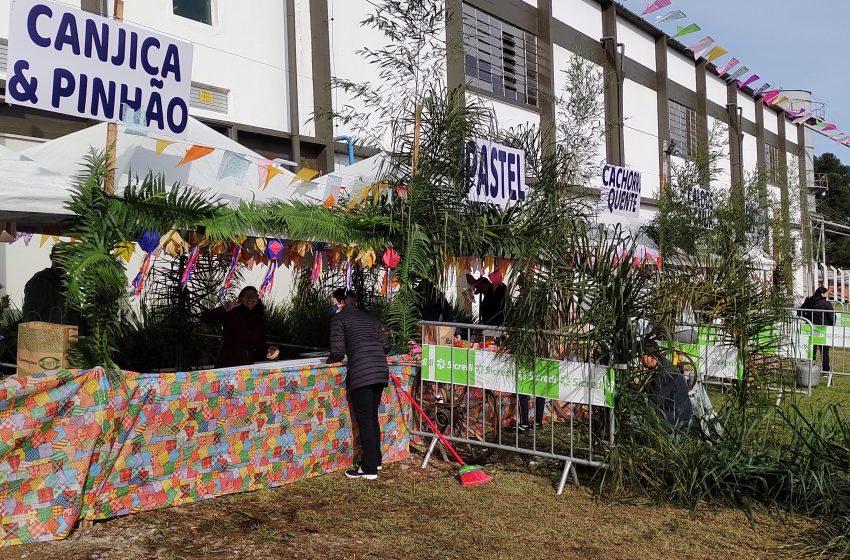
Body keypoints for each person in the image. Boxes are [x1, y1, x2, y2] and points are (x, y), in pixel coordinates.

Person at [326, 288, 391, 481]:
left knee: (365, 420)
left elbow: (337, 352)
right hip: (380, 370)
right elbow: (386, 346)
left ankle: (369, 468)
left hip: (362, 372)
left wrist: (329, 362)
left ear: (340, 302)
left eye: (333, 301)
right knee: (371, 417)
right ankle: (375, 459)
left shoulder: (339, 319)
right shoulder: (369, 318)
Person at [201, 286, 278, 368]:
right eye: (246, 295)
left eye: (253, 295)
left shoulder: (260, 319)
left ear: (257, 298)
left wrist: (269, 351)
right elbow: (204, 318)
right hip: (226, 362)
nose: (249, 298)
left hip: (246, 365)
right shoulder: (232, 312)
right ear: (240, 298)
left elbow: (259, 344)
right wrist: (224, 309)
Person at [21, 245, 82, 326]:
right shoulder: (40, 280)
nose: (65, 261)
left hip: (68, 335)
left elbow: (76, 315)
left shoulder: (71, 283)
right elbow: (30, 314)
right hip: (45, 335)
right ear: (52, 257)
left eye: (68, 258)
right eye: (61, 257)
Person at [641, 348, 693, 438]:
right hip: (678, 412)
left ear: (652, 357)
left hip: (676, 418)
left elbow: (654, 402)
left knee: (639, 417)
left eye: (642, 358)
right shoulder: (663, 363)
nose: (641, 361)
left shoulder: (663, 374)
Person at [801, 286, 835, 372]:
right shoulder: (827, 304)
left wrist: (807, 318)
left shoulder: (809, 301)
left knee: (811, 350)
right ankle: (826, 371)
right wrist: (832, 325)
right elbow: (832, 317)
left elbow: (800, 312)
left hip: (810, 328)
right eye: (826, 293)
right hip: (823, 329)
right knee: (824, 352)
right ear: (822, 294)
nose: (827, 294)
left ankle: (810, 369)